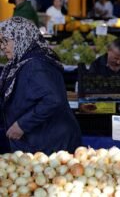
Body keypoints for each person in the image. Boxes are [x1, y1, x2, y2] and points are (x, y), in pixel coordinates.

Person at [0, 16, 81, 154]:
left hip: (52, 143)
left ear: (21, 38)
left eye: (5, 41)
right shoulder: (21, 62)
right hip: (41, 140)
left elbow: (53, 99)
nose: (2, 47)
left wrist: (22, 125)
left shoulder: (35, 64)